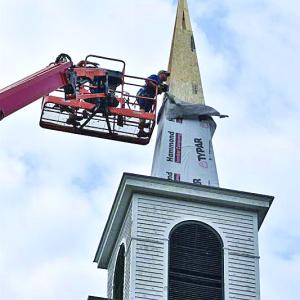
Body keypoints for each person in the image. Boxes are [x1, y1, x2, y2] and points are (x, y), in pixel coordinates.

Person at [136, 70, 170, 137]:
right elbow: (147, 80)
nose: (166, 77)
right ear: (161, 74)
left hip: (149, 98)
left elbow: (158, 91)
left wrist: (160, 89)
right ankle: (141, 123)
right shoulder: (156, 77)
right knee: (143, 108)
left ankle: (141, 131)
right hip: (144, 94)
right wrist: (157, 87)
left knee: (146, 112)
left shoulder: (160, 83)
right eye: (166, 75)